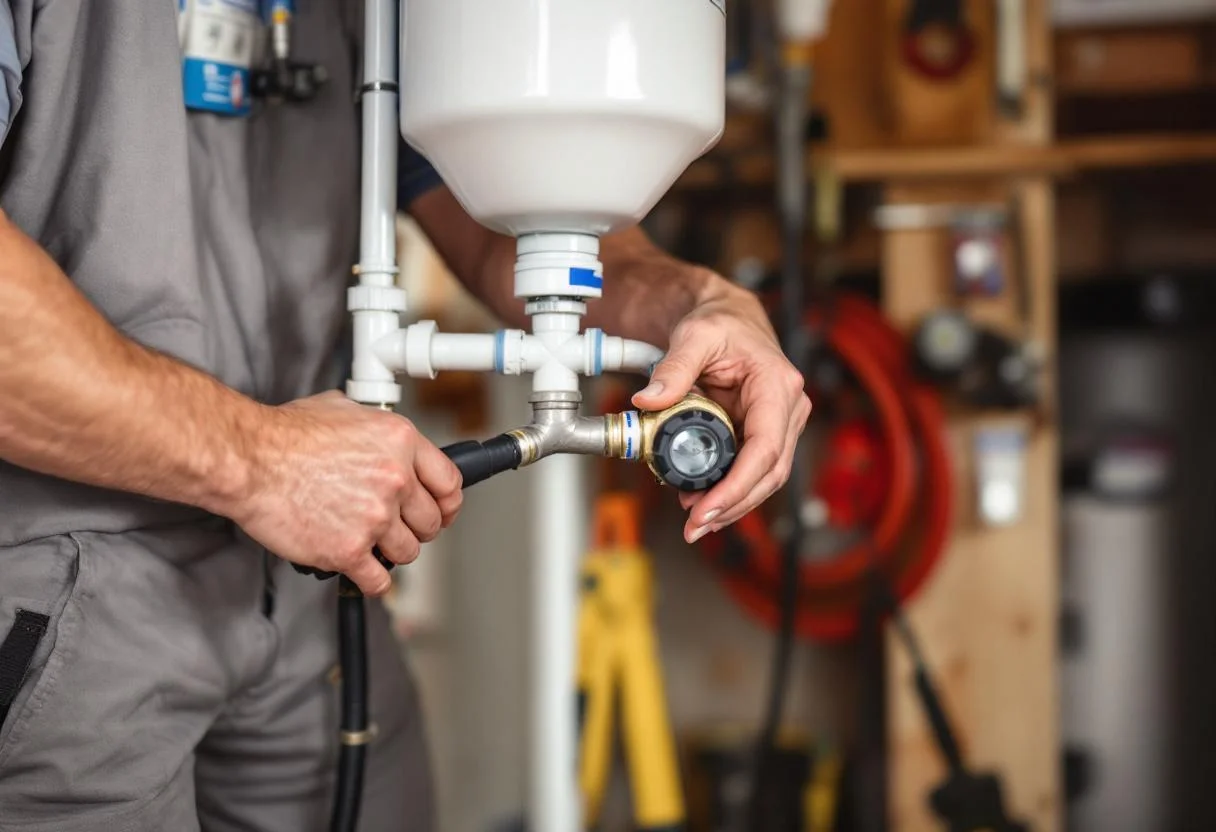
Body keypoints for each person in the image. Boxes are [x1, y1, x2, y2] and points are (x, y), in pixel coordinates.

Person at [0, 3, 810, 831]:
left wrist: (703, 304)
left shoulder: (357, 13)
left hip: (306, 589)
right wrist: (258, 461)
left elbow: (511, 219)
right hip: (61, 594)